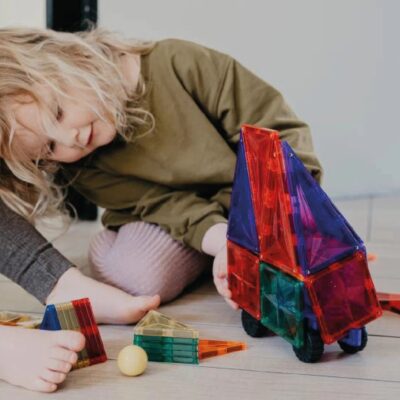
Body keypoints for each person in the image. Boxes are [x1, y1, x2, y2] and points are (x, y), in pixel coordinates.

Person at [0, 27, 323, 392]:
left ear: (69, 60)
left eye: (58, 112)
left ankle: (224, 252)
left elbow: (276, 134)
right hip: (187, 222)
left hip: (265, 204)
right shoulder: (82, 167)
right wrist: (220, 240)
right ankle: (212, 253)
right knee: (132, 274)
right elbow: (162, 205)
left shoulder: (179, 64)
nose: (69, 140)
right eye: (49, 148)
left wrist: (264, 225)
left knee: (294, 230)